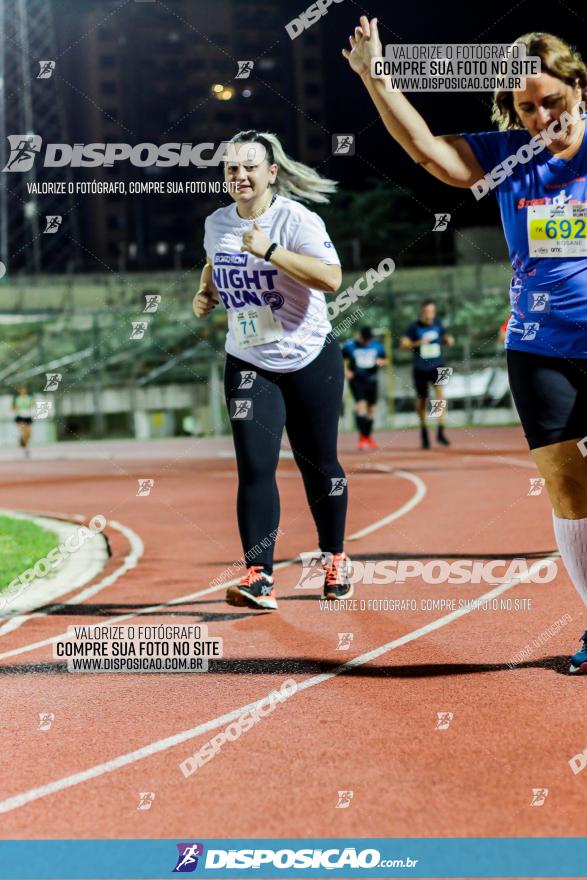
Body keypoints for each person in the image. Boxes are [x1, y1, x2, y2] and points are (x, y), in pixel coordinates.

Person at [343, 21, 587, 672]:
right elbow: (426, 152)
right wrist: (375, 76)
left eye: (551, 103)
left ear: (577, 88)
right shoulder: (508, 154)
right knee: (567, 487)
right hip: (538, 344)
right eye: (525, 107)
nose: (540, 118)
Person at [193, 130, 353, 611]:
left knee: (318, 464)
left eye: (249, 167)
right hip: (248, 361)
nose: (239, 175)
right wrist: (206, 292)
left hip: (309, 358)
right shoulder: (216, 223)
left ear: (271, 173)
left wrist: (269, 251)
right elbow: (213, 262)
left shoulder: (297, 219)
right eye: (231, 169)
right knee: (255, 466)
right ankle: (260, 576)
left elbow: (331, 277)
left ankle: (335, 557)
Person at [400, 301, 454, 449]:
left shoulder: (438, 324)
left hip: (438, 365)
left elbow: (444, 336)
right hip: (420, 368)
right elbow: (403, 345)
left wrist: (448, 340)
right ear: (422, 312)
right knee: (422, 400)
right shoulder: (414, 327)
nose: (430, 314)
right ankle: (424, 432)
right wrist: (418, 343)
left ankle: (440, 431)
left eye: (432, 311)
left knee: (440, 396)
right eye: (427, 312)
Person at [342, 326, 388, 449]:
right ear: (359, 336)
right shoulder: (350, 345)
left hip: (372, 380)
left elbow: (385, 359)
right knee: (361, 406)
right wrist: (346, 371)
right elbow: (340, 359)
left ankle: (367, 436)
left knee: (371, 410)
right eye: (363, 339)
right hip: (357, 381)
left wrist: (381, 362)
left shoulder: (377, 346)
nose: (364, 342)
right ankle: (363, 437)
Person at [12, 385, 34, 457]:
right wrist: (16, 408)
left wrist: (33, 406)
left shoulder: (29, 398)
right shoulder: (17, 399)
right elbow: (12, 408)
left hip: (28, 417)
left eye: (24, 390)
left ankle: (21, 440)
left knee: (29, 434)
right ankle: (26, 449)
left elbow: (33, 405)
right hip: (20, 417)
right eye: (22, 390)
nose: (23, 391)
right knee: (24, 433)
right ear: (20, 391)